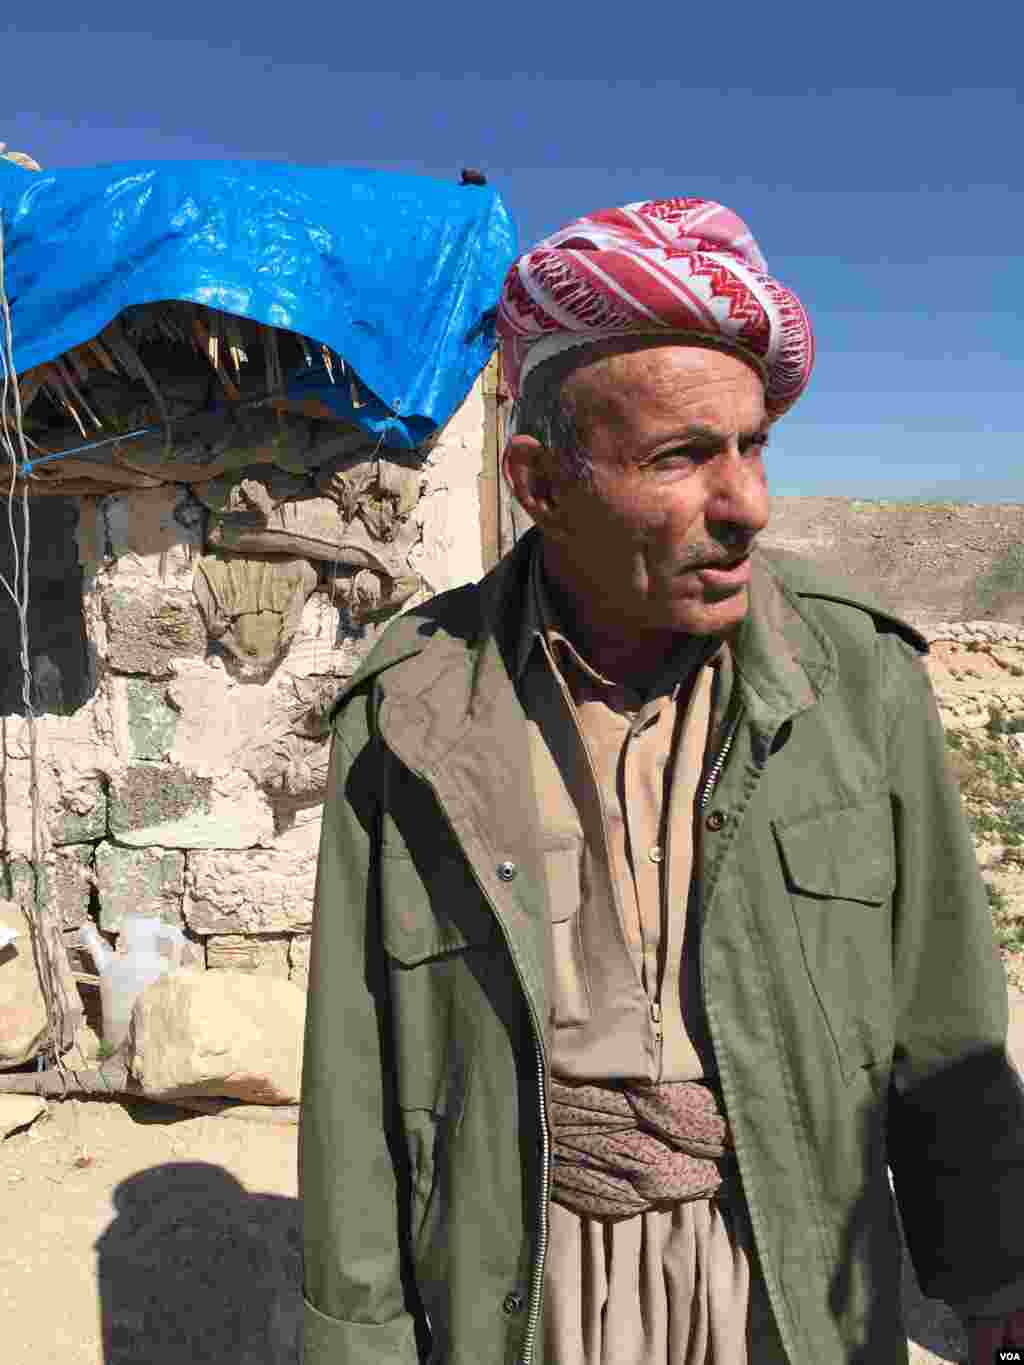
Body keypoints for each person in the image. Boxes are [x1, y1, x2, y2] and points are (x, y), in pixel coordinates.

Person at [300, 198, 1024, 1363]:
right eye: (681, 457)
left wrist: (992, 1269)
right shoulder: (412, 711)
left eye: (754, 447)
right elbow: (355, 1080)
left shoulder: (859, 683)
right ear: (539, 483)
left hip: (787, 1278)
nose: (745, 505)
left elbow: (944, 1013)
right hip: (526, 1282)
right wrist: (360, 1339)